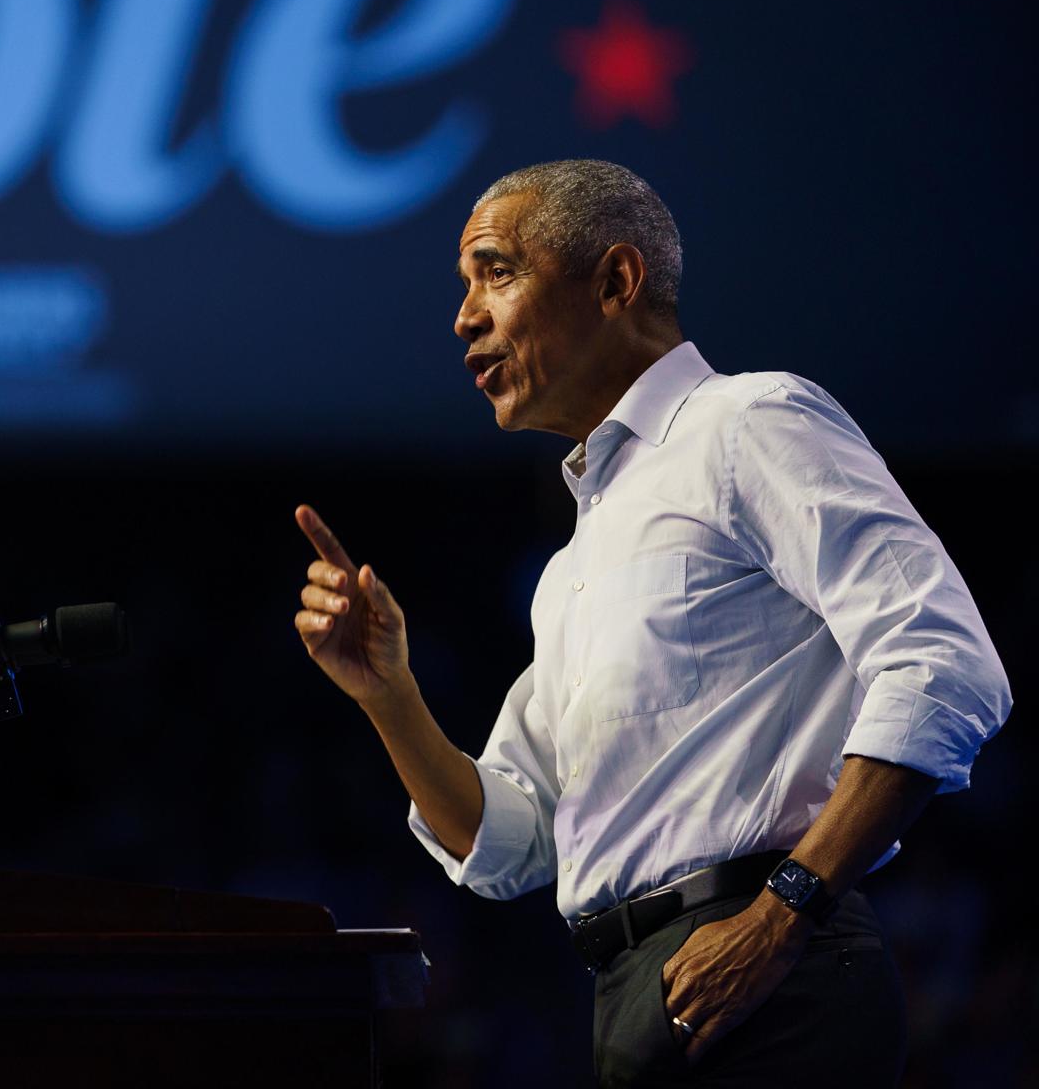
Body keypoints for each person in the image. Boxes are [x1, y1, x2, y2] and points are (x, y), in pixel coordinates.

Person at [292, 160, 1010, 1086]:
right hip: (638, 992)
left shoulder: (748, 423)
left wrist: (784, 911)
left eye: (495, 271)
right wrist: (389, 697)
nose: (465, 316)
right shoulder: (574, 567)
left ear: (616, 282)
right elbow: (510, 845)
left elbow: (945, 663)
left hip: (772, 970)